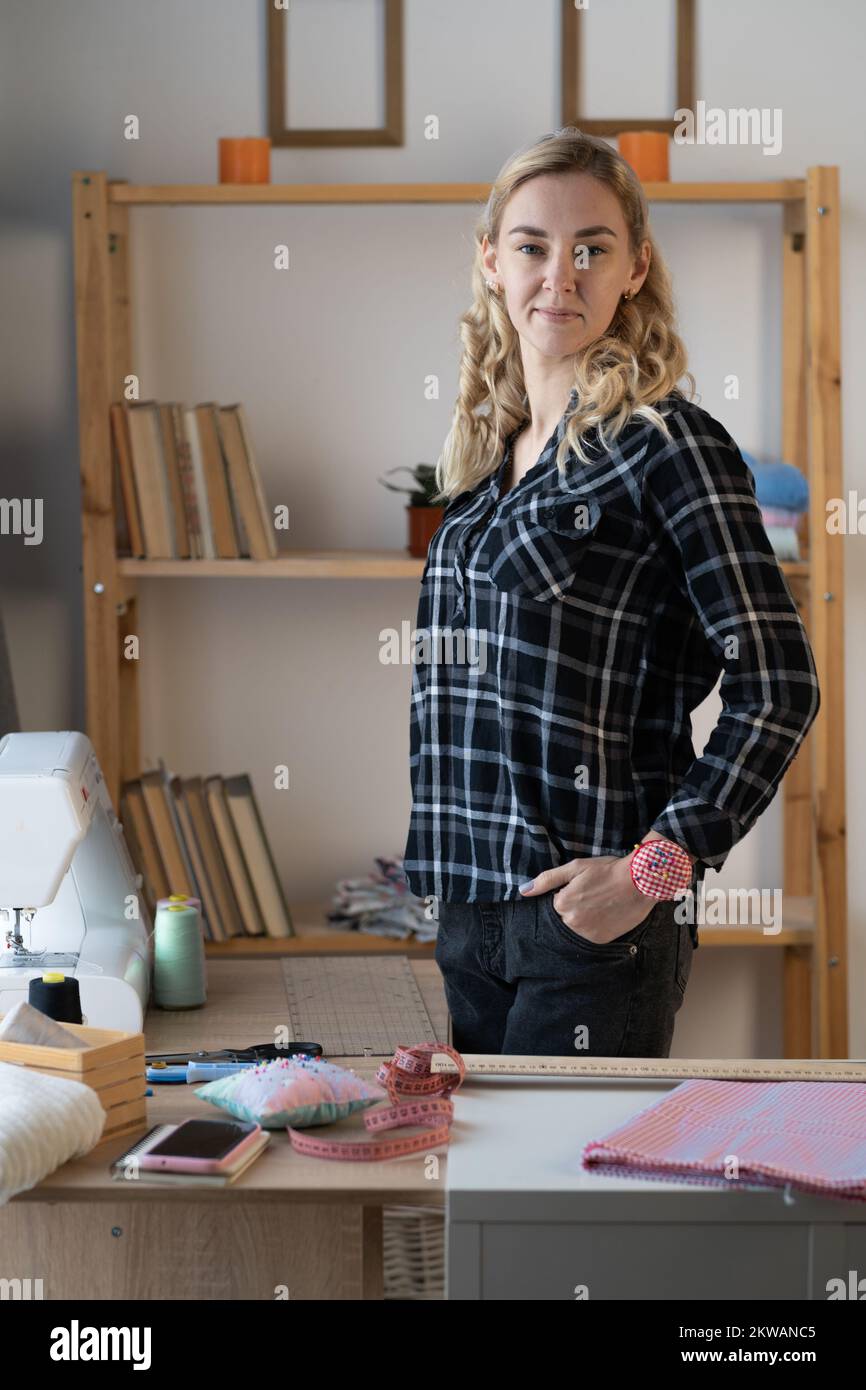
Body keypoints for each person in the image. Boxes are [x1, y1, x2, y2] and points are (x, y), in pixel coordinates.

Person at [402, 127, 820, 1058]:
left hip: (592, 929)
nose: (562, 274)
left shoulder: (668, 443)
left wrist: (652, 874)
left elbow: (780, 684)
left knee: (560, 1207)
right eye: (533, 246)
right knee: (480, 1209)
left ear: (634, 268)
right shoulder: (484, 459)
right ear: (492, 262)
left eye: (592, 248)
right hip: (469, 918)